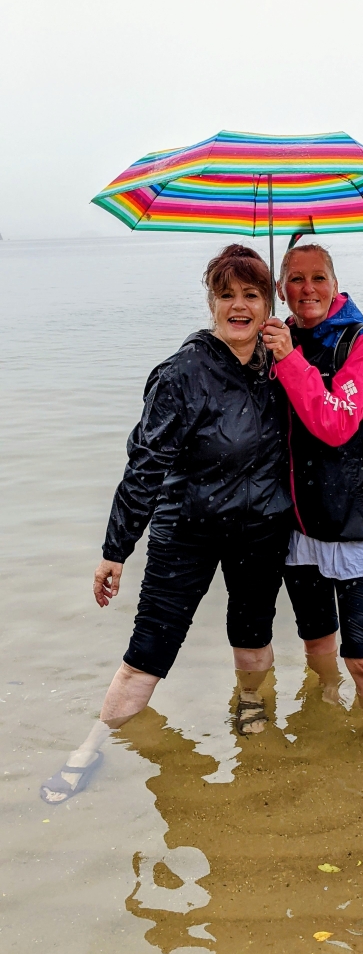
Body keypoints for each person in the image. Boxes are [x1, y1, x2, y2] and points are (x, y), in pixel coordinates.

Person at [41, 245, 292, 804]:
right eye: (226, 295)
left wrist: (290, 361)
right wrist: (116, 549)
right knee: (148, 649)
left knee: (253, 633)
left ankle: (252, 702)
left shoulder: (280, 365)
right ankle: (91, 744)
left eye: (252, 295)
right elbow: (145, 466)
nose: (239, 306)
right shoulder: (182, 373)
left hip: (261, 528)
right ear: (211, 302)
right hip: (187, 529)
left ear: (268, 303)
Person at [261, 243, 363, 760]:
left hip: (354, 521)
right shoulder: (279, 337)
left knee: (362, 653)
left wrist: (288, 359)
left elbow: (336, 423)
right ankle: (326, 698)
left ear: (335, 285)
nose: (308, 288)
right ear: (281, 289)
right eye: (295, 279)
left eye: (318, 277)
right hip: (297, 524)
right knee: (316, 641)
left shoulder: (362, 342)